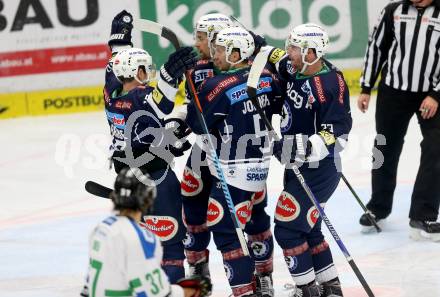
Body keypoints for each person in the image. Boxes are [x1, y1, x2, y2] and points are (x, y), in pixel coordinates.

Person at [186, 26, 283, 297]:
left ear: (235, 52)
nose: (214, 55)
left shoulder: (216, 86)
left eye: (219, 50)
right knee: (256, 219)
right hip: (260, 168)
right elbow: (277, 105)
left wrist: (194, 103)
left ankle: (244, 292)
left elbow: (198, 125)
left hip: (232, 171)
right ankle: (264, 279)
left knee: (225, 228)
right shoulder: (266, 77)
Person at [265, 23, 352, 296]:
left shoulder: (330, 84)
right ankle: (331, 287)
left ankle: (306, 289)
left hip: (318, 169)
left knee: (288, 228)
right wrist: (256, 44)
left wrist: (294, 147)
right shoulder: (296, 67)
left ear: (311, 53)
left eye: (293, 48)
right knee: (310, 229)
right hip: (299, 167)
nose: (288, 52)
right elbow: (274, 57)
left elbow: (336, 135)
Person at [358, 0, 440, 241]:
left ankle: (423, 215)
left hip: (431, 94)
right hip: (393, 92)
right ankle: (378, 206)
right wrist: (365, 87)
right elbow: (376, 47)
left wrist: (436, 95)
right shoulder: (393, 11)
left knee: (436, 147)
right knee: (384, 145)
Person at [80, 167, 212, 297]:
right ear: (149, 199)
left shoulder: (100, 229)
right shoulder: (142, 238)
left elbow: (88, 288)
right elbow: (157, 292)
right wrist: (189, 291)